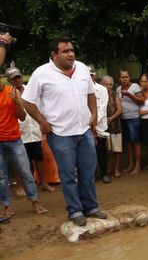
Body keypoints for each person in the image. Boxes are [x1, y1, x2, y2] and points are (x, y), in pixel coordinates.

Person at [21, 36, 106, 226]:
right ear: (54, 54)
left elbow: (90, 93)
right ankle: (75, 211)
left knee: (88, 171)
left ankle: (91, 207)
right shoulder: (41, 73)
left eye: (72, 50)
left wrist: (93, 115)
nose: (71, 54)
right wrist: (42, 122)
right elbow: (27, 101)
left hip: (84, 130)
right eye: (66, 51)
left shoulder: (82, 68)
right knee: (68, 175)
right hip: (59, 134)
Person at [0, 68, 49, 224]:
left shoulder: (11, 93)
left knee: (26, 172)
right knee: (1, 177)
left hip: (15, 139)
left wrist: (17, 102)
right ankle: (7, 206)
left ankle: (35, 202)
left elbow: (22, 117)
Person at [7, 67, 55, 192]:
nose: (17, 80)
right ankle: (20, 186)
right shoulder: (9, 93)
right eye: (13, 79)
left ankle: (43, 183)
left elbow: (39, 106)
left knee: (39, 157)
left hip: (34, 128)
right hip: (18, 131)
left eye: (18, 77)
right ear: (9, 80)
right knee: (20, 160)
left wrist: (42, 123)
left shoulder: (30, 90)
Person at [117, 70, 143, 174]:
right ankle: (130, 164)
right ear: (119, 79)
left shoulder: (135, 86)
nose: (125, 79)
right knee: (128, 142)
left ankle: (137, 164)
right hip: (123, 118)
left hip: (134, 118)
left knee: (136, 141)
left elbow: (142, 100)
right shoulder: (118, 89)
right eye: (122, 77)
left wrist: (129, 95)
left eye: (126, 77)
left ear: (130, 78)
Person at [91, 67, 111, 183]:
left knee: (101, 150)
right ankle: (92, 174)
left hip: (100, 125)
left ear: (95, 75)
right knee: (89, 152)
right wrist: (89, 125)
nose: (90, 77)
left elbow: (102, 108)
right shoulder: (80, 89)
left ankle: (104, 173)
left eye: (92, 75)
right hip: (86, 126)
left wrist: (94, 123)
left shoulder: (102, 89)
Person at [102, 75, 123, 177]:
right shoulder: (99, 94)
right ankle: (108, 169)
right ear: (102, 84)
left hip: (115, 125)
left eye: (110, 84)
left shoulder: (115, 94)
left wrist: (110, 118)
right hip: (103, 126)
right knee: (107, 149)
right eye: (106, 84)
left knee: (117, 149)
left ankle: (116, 169)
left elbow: (119, 110)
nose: (109, 86)